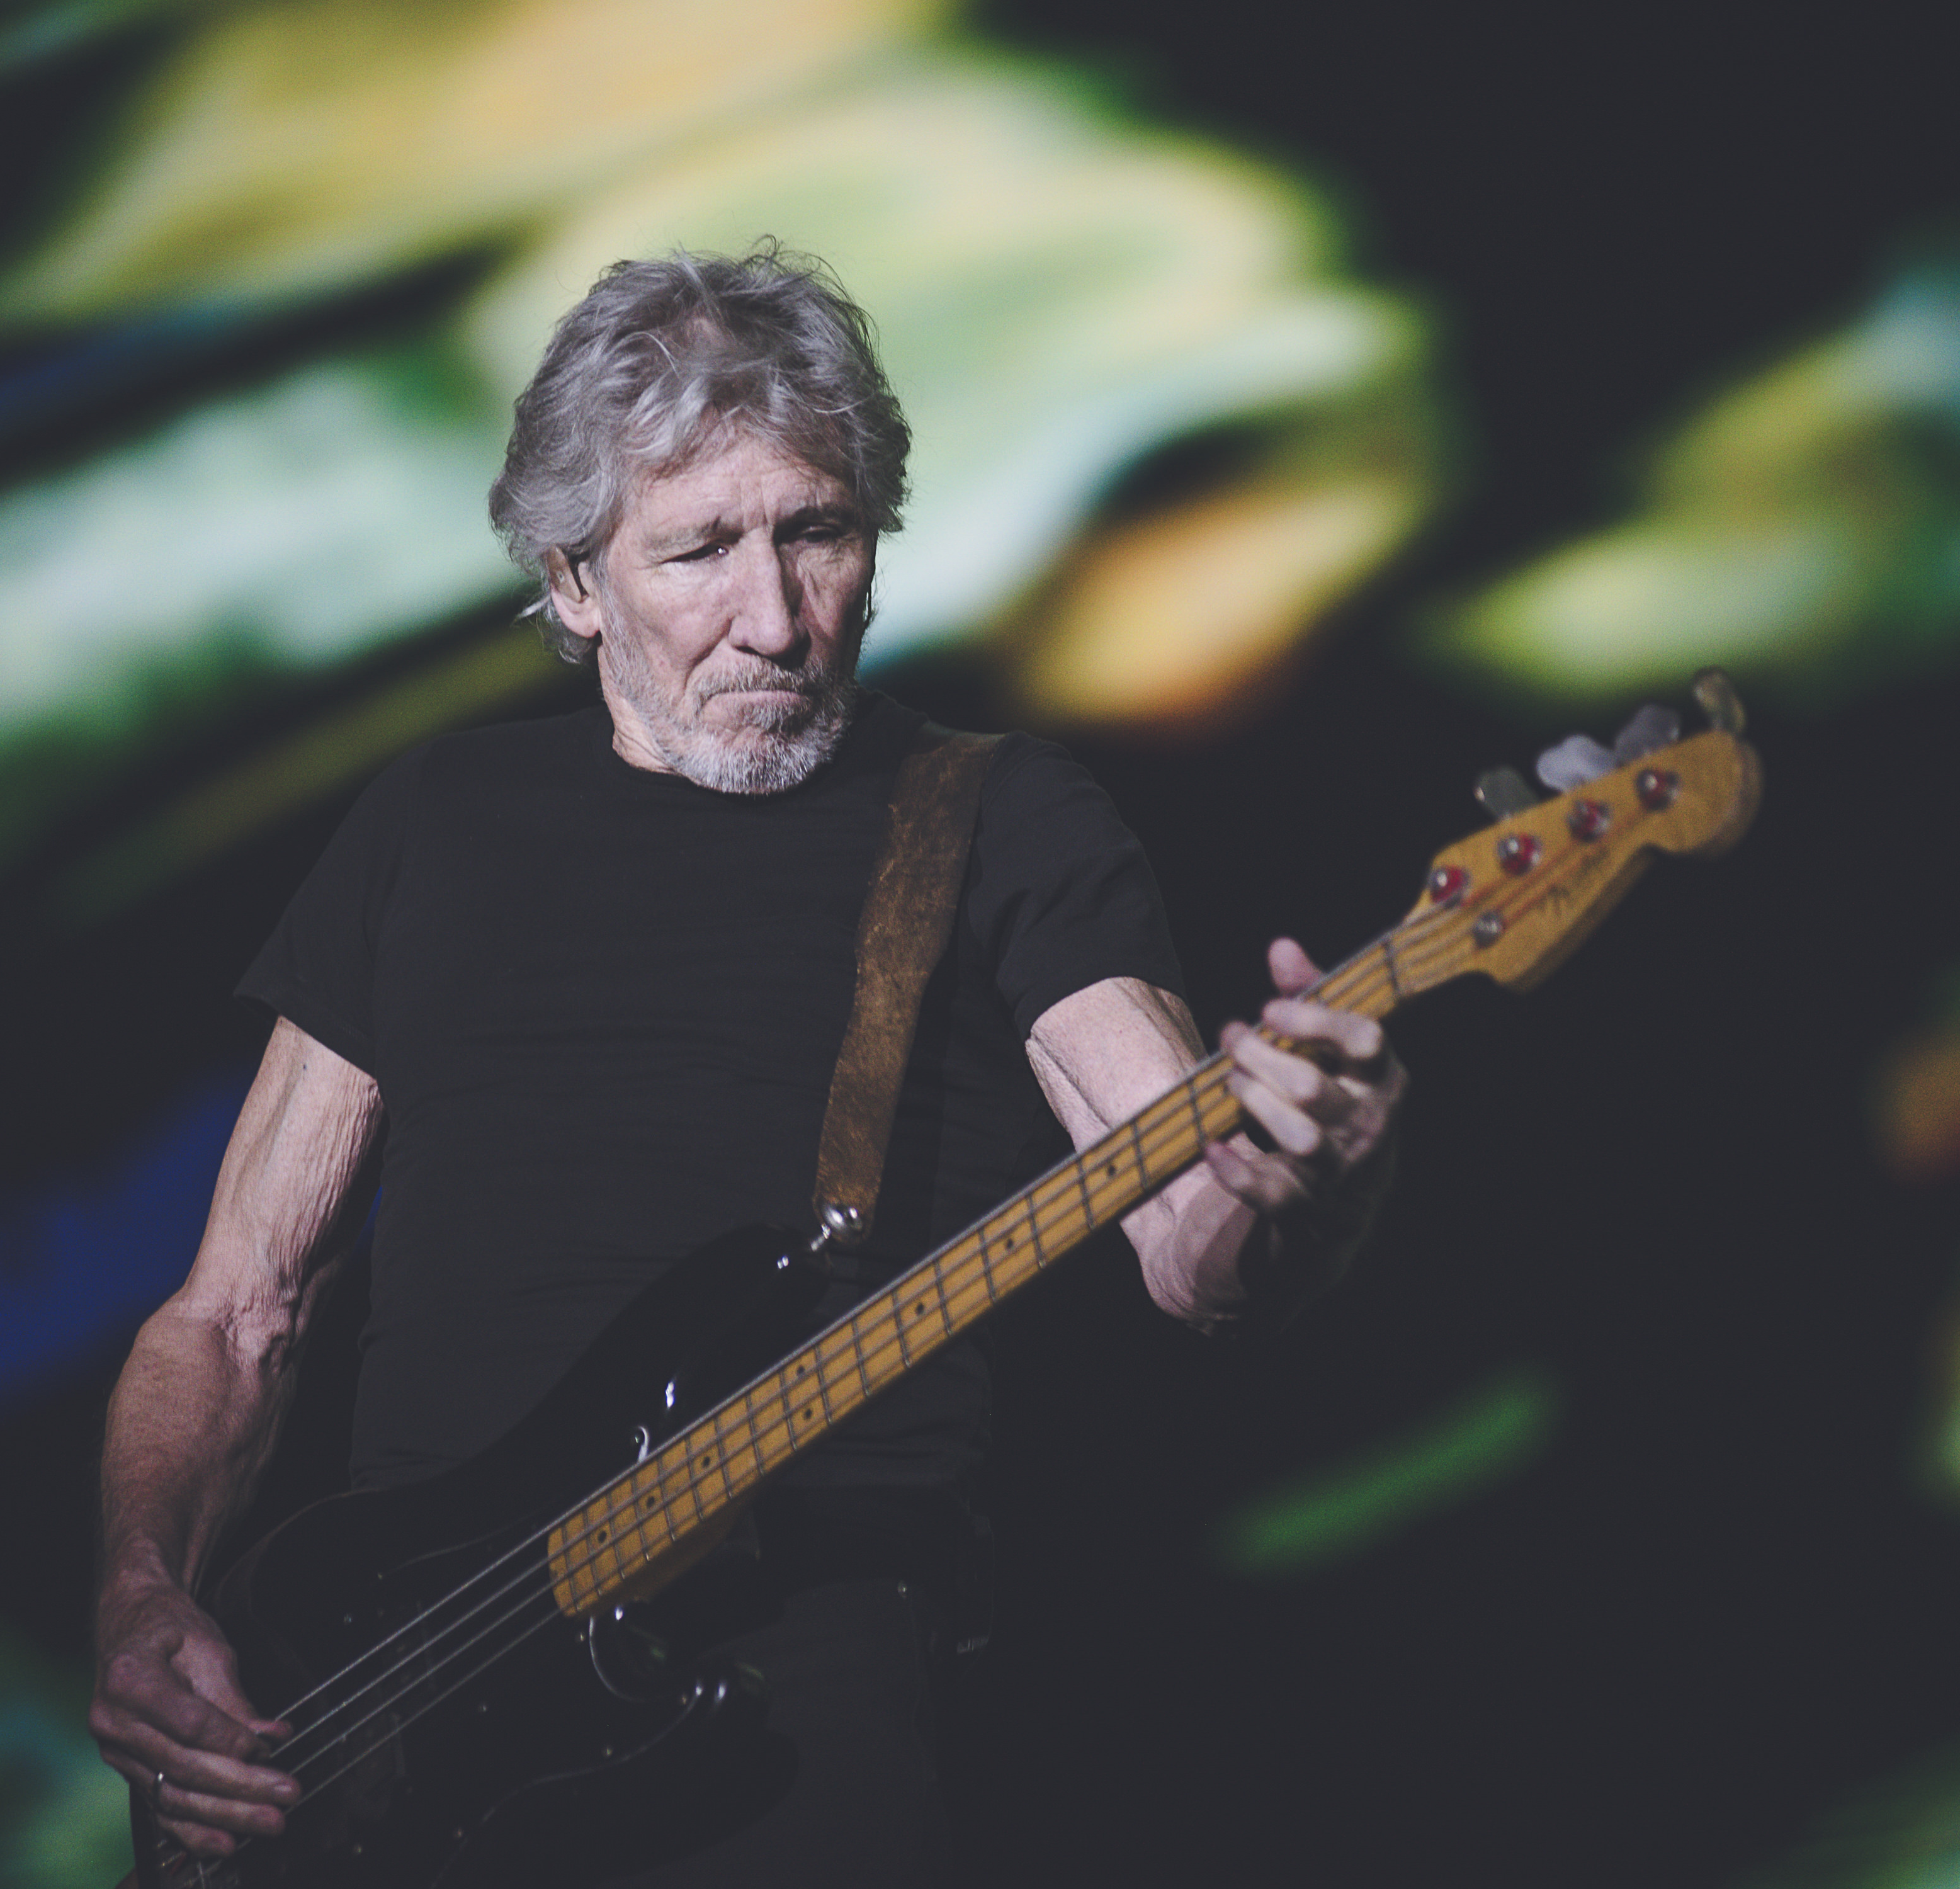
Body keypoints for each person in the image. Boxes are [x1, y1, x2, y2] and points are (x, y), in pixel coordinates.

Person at [86, 244, 1403, 1883]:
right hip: (385, 1708)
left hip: (798, 1687)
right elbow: (235, 1314)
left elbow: (1192, 1237)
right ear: (575, 582)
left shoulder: (998, 818)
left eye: (818, 534)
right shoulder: (433, 822)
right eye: (700, 550)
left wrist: (1301, 1188)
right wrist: (141, 1593)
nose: (774, 620)